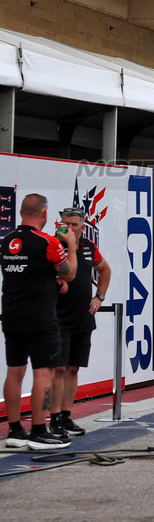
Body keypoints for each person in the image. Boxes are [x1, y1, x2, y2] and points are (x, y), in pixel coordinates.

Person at [3, 193, 76, 450]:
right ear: (44, 213)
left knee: (14, 371)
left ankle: (14, 431)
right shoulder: (47, 241)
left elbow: (27, 272)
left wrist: (50, 278)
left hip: (11, 314)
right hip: (40, 318)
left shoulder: (7, 240)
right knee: (43, 373)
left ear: (21, 212)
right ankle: (38, 431)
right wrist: (71, 246)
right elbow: (70, 273)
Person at [48, 206, 111, 439]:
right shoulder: (51, 245)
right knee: (58, 369)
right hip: (57, 318)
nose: (70, 228)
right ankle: (54, 419)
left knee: (73, 368)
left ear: (83, 227)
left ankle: (66, 416)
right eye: (66, 224)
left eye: (74, 224)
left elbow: (105, 270)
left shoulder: (88, 246)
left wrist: (99, 297)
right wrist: (56, 279)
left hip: (82, 317)